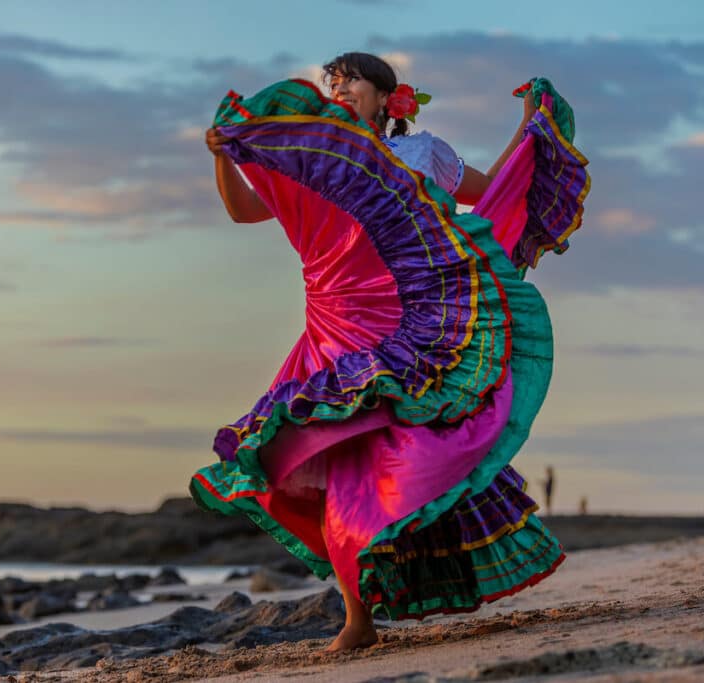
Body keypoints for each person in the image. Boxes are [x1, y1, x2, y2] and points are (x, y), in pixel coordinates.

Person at [192, 52, 589, 652]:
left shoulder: (422, 152)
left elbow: (492, 193)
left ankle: (361, 619)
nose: (340, 88)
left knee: (408, 445)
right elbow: (244, 209)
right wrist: (224, 155)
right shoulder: (315, 157)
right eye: (333, 81)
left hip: (414, 318)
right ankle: (359, 615)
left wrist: (531, 126)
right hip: (334, 321)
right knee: (329, 455)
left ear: (387, 98)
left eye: (352, 80)